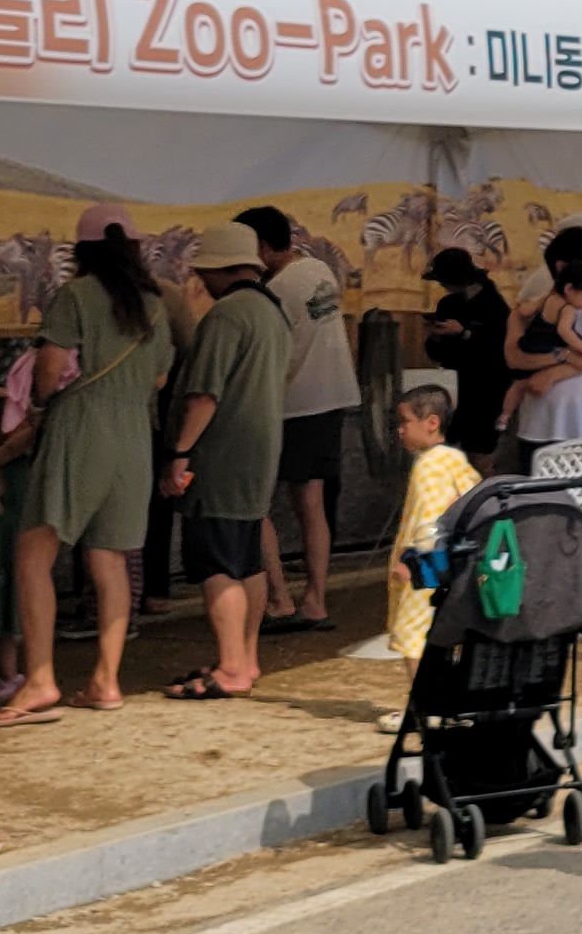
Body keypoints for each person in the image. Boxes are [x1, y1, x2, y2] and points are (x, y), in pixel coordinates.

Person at [0, 220, 170, 720]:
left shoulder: (75, 296)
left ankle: (40, 680)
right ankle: (106, 681)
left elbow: (49, 372)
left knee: (33, 554)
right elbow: (159, 378)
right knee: (110, 561)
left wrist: (37, 404)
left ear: (83, 250)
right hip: (134, 435)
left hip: (80, 427)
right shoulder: (155, 303)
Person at [162, 225, 290, 700]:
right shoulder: (272, 312)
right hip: (260, 453)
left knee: (216, 562)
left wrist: (179, 453)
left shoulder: (227, 315)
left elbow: (204, 395)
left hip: (221, 455)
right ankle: (245, 659)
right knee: (246, 559)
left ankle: (231, 668)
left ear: (219, 270)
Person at [236, 206, 353, 629]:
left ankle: (279, 599)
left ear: (263, 246)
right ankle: (316, 600)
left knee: (255, 501)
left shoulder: (273, 291)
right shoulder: (319, 269)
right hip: (332, 397)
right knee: (312, 504)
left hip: (290, 404)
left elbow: (268, 353)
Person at [378, 372, 477, 713]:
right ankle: (440, 701)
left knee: (414, 637)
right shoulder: (455, 460)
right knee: (442, 636)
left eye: (405, 421)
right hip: (452, 565)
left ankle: (425, 706)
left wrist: (412, 561)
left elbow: (429, 519)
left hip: (426, 569)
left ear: (431, 423)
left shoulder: (429, 467)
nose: (399, 430)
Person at [506, 230, 582, 451]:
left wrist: (551, 373)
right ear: (561, 267)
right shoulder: (527, 310)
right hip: (537, 423)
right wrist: (564, 356)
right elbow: (515, 359)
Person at [421, 247, 514, 456]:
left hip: (487, 388)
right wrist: (435, 337)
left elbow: (498, 348)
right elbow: (438, 352)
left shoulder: (494, 306)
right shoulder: (448, 304)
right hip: (455, 384)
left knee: (479, 449)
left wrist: (464, 333)